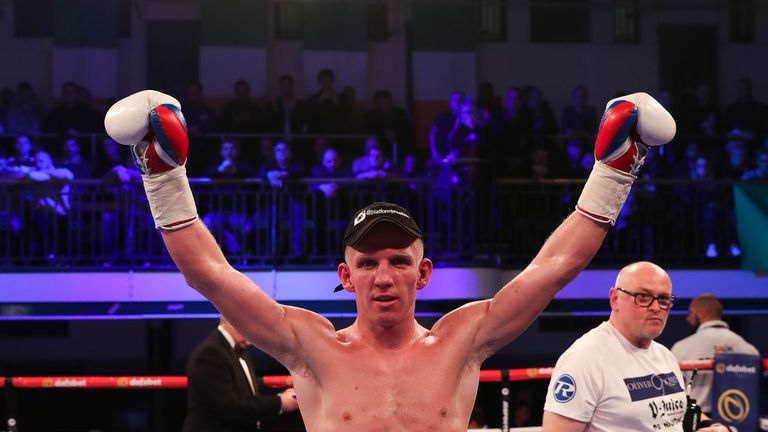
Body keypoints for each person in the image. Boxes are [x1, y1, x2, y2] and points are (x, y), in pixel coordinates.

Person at [105, 89, 675, 431]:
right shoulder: (310, 346)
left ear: (423, 274)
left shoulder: (462, 339)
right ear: (344, 275)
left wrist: (616, 170)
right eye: (369, 261)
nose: (384, 276)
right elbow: (208, 273)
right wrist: (163, 174)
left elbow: (555, 266)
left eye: (400, 261)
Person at [542, 262, 730, 432]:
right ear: (614, 299)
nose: (656, 307)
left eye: (664, 299)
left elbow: (674, 413)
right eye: (643, 296)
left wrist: (713, 426)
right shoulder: (585, 358)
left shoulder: (665, 355)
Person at [184, 317, 299, 432]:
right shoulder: (210, 353)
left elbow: (245, 389)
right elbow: (229, 407)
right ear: (232, 321)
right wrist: (280, 402)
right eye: (250, 331)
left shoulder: (236, 350)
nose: (251, 341)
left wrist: (283, 395)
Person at [671, 294, 759, 416]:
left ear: (701, 313)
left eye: (691, 313)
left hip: (699, 419)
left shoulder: (682, 347)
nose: (688, 318)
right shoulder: (749, 349)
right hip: (738, 418)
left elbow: (674, 392)